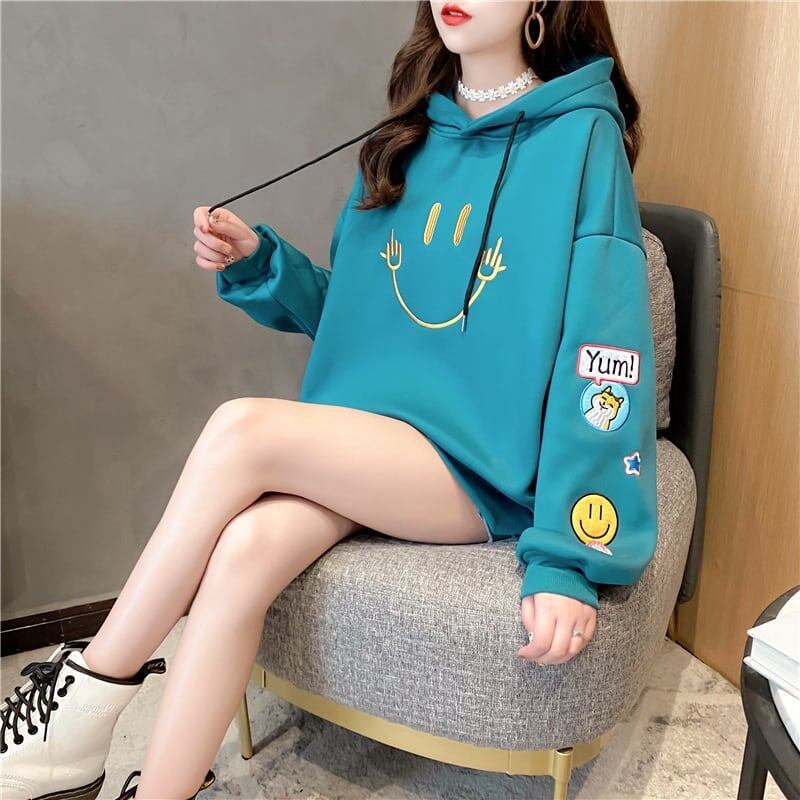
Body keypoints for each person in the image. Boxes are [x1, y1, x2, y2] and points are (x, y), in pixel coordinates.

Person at [0, 1, 658, 798]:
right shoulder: (408, 135)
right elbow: (362, 319)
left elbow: (604, 356)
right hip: (369, 444)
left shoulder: (581, 141)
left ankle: (83, 700)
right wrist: (262, 264)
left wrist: (568, 559)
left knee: (241, 429)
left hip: (477, 468)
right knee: (244, 550)